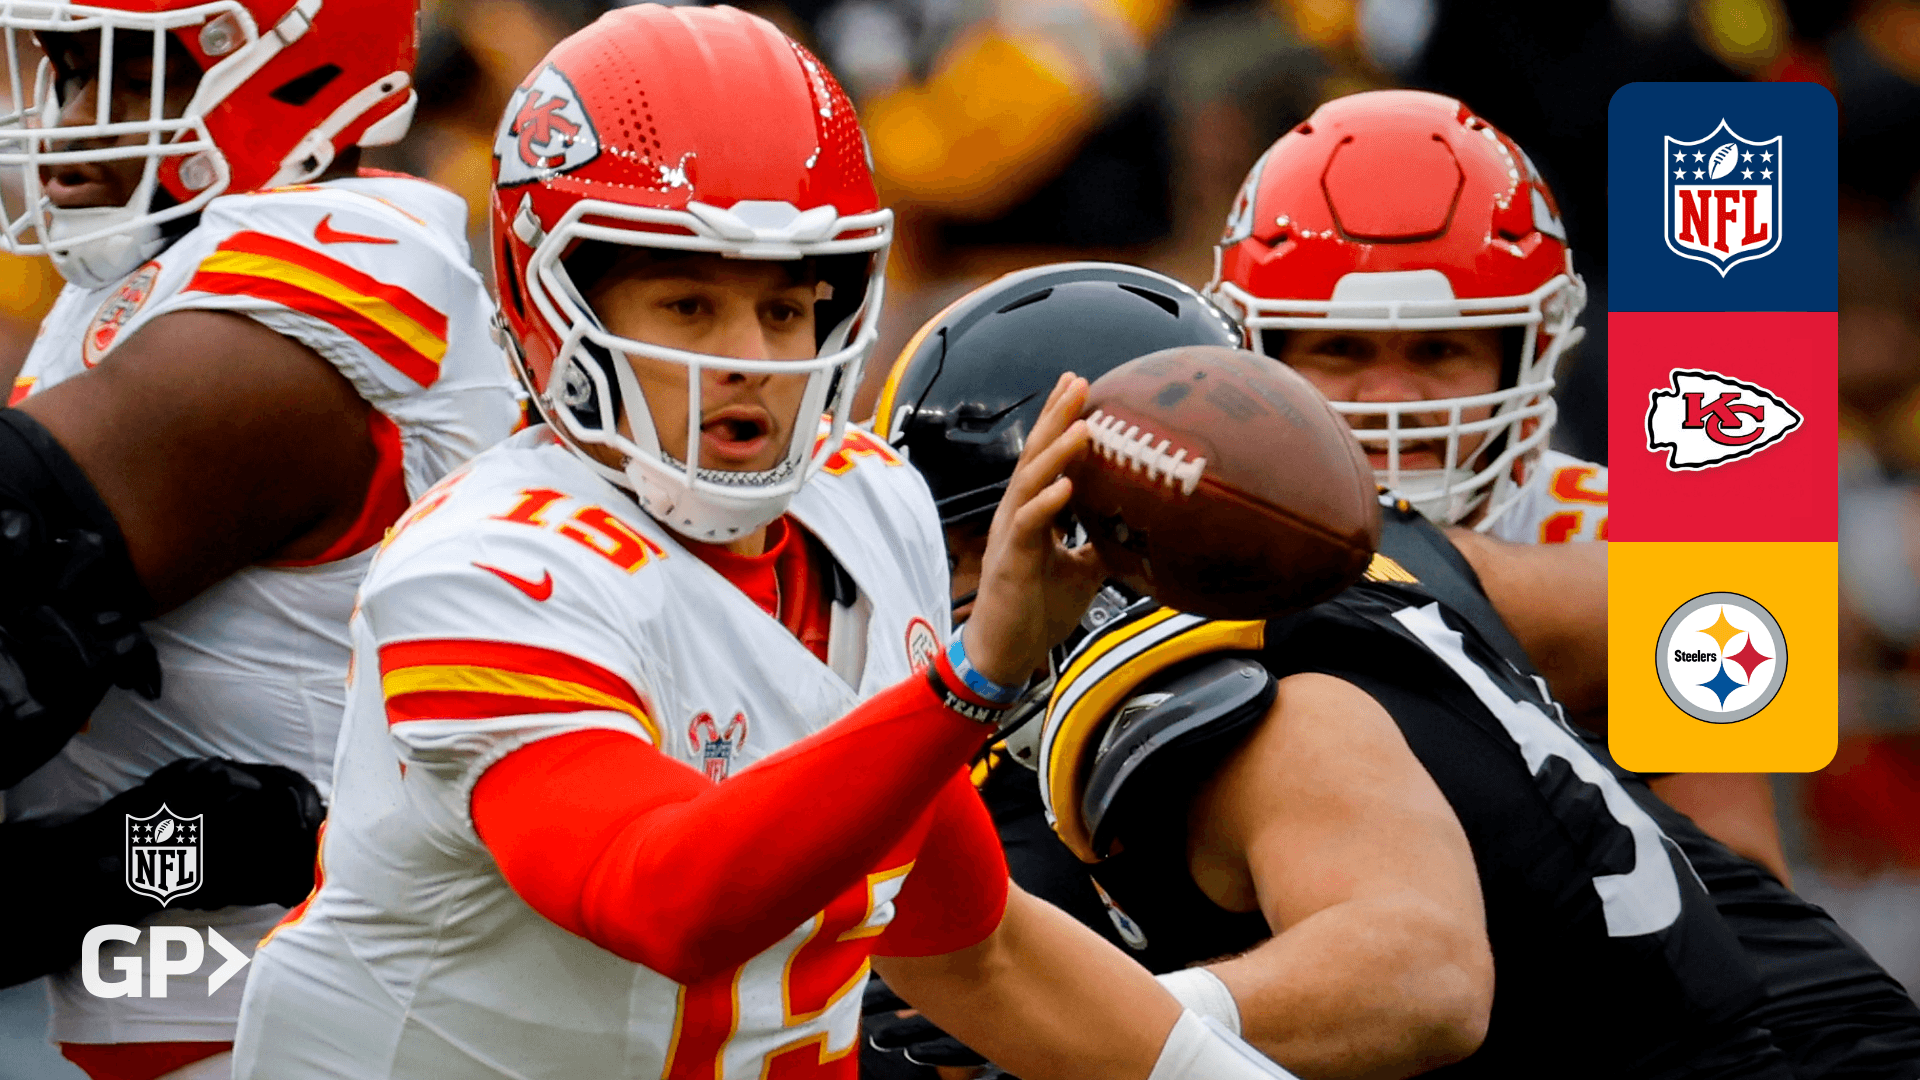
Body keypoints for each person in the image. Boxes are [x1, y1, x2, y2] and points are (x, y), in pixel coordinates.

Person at [232, 9, 1298, 1080]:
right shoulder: (484, 570)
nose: (748, 358)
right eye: (688, 305)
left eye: (784, 310)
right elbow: (666, 903)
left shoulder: (870, 505)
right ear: (550, 302)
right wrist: (972, 682)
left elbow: (978, 951)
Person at [0, 2, 521, 1077]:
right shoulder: (142, 283)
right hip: (207, 1021)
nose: (76, 123)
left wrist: (149, 859)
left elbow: (18, 545)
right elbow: (186, 844)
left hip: (333, 1037)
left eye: (137, 76)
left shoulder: (322, 275)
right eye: (71, 72)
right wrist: (127, 862)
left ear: (296, 71)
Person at [1205, 87, 1803, 875]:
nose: (1392, 399)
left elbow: (1744, 874)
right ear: (1257, 354)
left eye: (1439, 351)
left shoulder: (1621, 532)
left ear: (1527, 354)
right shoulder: (1185, 532)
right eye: (1341, 349)